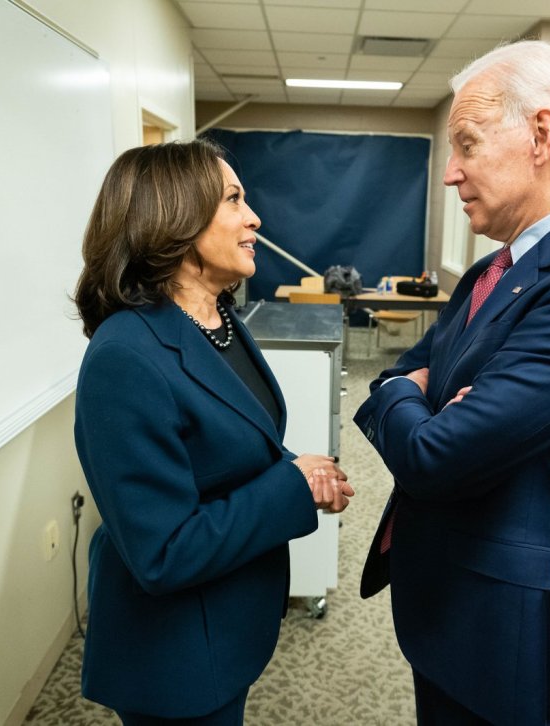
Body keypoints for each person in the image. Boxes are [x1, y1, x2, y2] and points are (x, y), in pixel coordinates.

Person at [354, 40, 550, 725]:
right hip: (445, 590)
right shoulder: (490, 271)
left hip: (501, 623)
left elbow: (434, 456)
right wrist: (417, 394)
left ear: (541, 134)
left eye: (466, 143)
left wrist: (411, 399)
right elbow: (395, 379)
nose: (451, 174)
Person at [72, 139, 353, 725]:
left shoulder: (215, 318)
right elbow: (163, 552)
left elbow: (228, 435)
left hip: (225, 623)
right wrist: (289, 489)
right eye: (233, 200)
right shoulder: (124, 356)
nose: (254, 218)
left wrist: (295, 470)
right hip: (175, 653)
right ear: (176, 219)